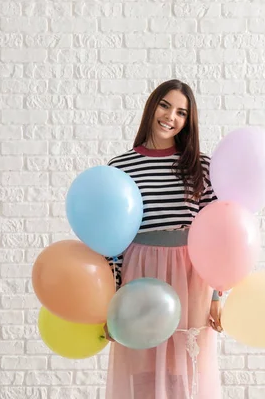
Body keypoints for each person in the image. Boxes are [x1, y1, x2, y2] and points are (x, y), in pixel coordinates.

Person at [103, 79, 222, 399]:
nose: (171, 116)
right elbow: (113, 241)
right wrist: (110, 300)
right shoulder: (121, 167)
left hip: (190, 273)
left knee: (183, 366)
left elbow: (218, 234)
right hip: (139, 270)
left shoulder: (201, 165)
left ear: (188, 121)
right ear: (152, 106)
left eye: (181, 112)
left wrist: (217, 296)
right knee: (141, 363)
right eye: (165, 105)